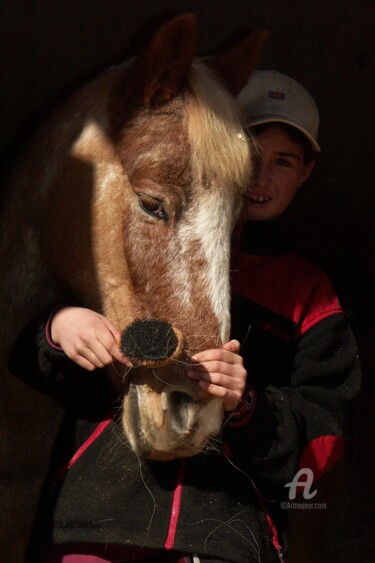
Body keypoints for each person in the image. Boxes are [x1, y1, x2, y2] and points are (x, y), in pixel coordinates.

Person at [8, 70, 361, 563]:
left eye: (284, 161)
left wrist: (249, 406)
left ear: (307, 171)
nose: (261, 177)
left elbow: (324, 442)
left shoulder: (307, 291)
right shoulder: (144, 244)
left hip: (221, 538)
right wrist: (58, 328)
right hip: (95, 526)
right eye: (252, 156)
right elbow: (26, 362)